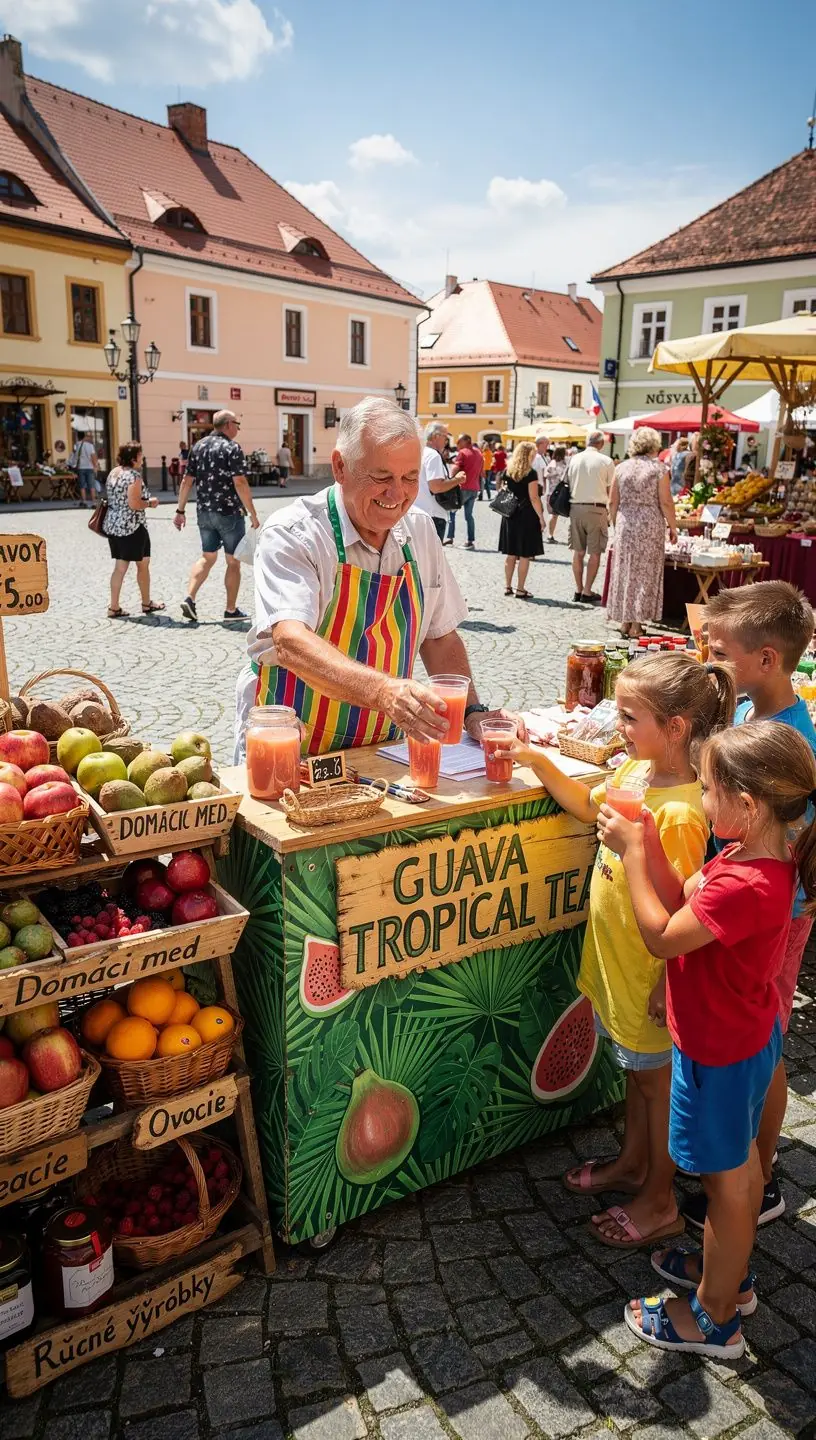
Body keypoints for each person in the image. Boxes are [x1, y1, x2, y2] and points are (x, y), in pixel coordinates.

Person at [602, 721, 814, 1357]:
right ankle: (729, 1275)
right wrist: (650, 845)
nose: (700, 799)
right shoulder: (752, 856)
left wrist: (634, 859)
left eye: (709, 789)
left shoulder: (747, 883)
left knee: (729, 1184)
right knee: (739, 1170)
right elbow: (685, 910)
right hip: (744, 1040)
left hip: (719, 1052)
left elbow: (663, 936)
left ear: (745, 807)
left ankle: (717, 1315)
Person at [509, 653, 732, 1250]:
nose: (618, 727)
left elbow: (682, 909)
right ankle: (634, 1164)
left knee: (657, 1090)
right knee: (638, 1080)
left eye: (629, 716)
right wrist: (535, 762)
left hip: (649, 976)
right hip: (616, 963)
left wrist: (667, 981)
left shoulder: (682, 812)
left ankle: (659, 1198)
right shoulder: (634, 772)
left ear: (677, 728)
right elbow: (588, 806)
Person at [234, 397, 525, 758]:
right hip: (293, 745)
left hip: (381, 748)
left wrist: (472, 711)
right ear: (340, 467)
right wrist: (384, 692)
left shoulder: (419, 532)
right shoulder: (294, 533)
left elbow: (439, 639)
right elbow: (291, 642)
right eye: (382, 477)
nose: (397, 494)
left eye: (410, 478)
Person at [680, 581, 816, 1232]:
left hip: (774, 919)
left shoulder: (791, 738)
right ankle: (744, 1168)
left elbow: (791, 847)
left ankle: (756, 1180)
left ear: (766, 659)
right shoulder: (749, 711)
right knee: (758, 1037)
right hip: (748, 909)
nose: (711, 655)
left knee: (764, 1041)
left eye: (722, 649)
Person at [174, 410, 260, 624]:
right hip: (229, 512)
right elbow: (240, 482)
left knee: (208, 557)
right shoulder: (232, 448)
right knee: (233, 561)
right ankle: (230, 610)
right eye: (237, 424)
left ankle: (190, 597)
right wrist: (253, 513)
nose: (238, 428)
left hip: (204, 511)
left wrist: (180, 510)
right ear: (228, 424)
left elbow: (187, 481)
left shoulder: (198, 446)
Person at [606, 427, 677, 639]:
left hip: (626, 525)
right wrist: (673, 527)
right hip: (649, 526)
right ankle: (637, 624)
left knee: (625, 571)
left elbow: (612, 501)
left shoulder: (621, 468)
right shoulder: (659, 470)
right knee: (645, 573)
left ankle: (624, 622)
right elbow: (665, 502)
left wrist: (615, 524)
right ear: (654, 444)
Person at [102, 442, 163, 618]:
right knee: (143, 565)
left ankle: (114, 607)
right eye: (140, 455)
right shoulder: (133, 477)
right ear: (134, 457)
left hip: (114, 525)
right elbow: (134, 503)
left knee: (119, 567)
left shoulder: (114, 472)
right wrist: (150, 503)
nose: (141, 459)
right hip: (133, 527)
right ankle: (146, 603)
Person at [566, 430, 615, 603]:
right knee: (595, 552)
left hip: (576, 508)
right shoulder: (606, 461)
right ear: (601, 444)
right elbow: (612, 490)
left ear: (587, 442)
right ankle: (587, 591)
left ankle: (578, 590)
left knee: (577, 552)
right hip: (597, 509)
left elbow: (567, 483)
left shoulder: (574, 459)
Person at [498, 440, 546, 599]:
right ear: (529, 455)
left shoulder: (508, 471)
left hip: (510, 514)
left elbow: (502, 489)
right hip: (526, 515)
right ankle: (520, 588)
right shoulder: (530, 473)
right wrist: (541, 517)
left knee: (511, 553)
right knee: (524, 554)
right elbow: (534, 497)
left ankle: (507, 586)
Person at [417, 422, 466, 541]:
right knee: (431, 558)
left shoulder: (421, 452)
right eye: (445, 437)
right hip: (432, 515)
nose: (446, 441)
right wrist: (457, 479)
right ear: (435, 436)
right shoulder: (433, 455)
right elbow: (436, 487)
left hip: (419, 511)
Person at [444, 433, 481, 549]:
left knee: (452, 512)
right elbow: (481, 471)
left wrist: (449, 478)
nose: (457, 444)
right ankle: (470, 540)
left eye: (459, 442)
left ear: (466, 441)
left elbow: (456, 468)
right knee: (469, 516)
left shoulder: (463, 453)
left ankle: (450, 538)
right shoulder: (479, 453)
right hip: (474, 488)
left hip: (463, 488)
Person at [543, 445, 567, 543]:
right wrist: (556, 474)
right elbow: (547, 475)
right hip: (556, 492)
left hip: (552, 492)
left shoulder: (553, 463)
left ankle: (549, 534)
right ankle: (549, 535)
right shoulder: (557, 464)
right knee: (553, 514)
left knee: (554, 514)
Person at [72, 430, 98, 509]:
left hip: (81, 468)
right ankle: (94, 502)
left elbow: (75, 457)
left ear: (78, 437)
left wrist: (74, 465)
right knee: (91, 485)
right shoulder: (90, 446)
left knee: (82, 485)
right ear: (85, 436)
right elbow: (93, 457)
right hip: (90, 467)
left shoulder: (77, 445)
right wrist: (95, 467)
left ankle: (84, 502)